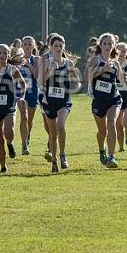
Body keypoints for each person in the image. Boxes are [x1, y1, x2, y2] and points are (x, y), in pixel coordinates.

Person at [39, 34, 81, 173]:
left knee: (60, 126)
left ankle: (63, 155)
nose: (58, 48)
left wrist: (75, 85)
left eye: (60, 46)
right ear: (50, 47)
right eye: (55, 46)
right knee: (52, 133)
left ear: (64, 47)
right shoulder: (45, 61)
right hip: (49, 101)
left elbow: (76, 81)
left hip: (64, 100)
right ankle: (54, 162)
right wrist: (51, 70)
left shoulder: (68, 63)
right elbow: (40, 81)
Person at [0, 43, 25, 174]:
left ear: (8, 55)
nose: (2, 55)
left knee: (8, 132)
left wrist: (21, 97)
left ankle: (10, 143)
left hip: (9, 106)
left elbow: (23, 84)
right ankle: (3, 166)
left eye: (4, 53)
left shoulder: (12, 69)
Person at [87, 33, 123, 169]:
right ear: (100, 45)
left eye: (110, 43)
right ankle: (102, 149)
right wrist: (102, 70)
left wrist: (125, 79)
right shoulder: (95, 60)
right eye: (105, 43)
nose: (108, 46)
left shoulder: (116, 63)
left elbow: (121, 81)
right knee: (102, 132)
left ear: (113, 46)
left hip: (114, 99)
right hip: (98, 101)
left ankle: (111, 156)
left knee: (111, 123)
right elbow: (87, 77)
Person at [18, 36, 40, 155]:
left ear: (33, 46)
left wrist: (29, 64)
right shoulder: (17, 59)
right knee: (24, 117)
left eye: (29, 44)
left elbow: (37, 75)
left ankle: (27, 135)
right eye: (25, 44)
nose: (27, 46)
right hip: (21, 93)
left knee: (29, 120)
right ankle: (24, 144)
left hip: (33, 92)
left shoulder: (36, 59)